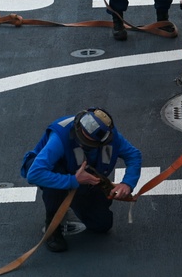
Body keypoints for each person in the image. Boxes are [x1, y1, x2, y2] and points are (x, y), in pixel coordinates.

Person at [22, 108, 142, 253]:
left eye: (86, 142)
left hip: (85, 180)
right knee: (54, 181)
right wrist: (73, 180)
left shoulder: (112, 137)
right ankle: (52, 227)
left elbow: (133, 155)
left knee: (102, 225)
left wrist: (127, 183)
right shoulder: (61, 137)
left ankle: (73, 200)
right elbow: (34, 174)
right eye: (81, 137)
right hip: (60, 174)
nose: (81, 141)